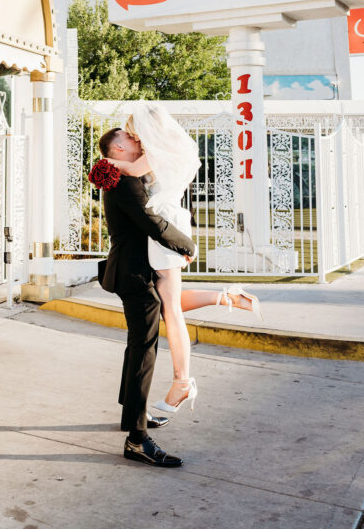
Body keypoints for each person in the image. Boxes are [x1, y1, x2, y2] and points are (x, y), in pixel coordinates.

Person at [107, 102, 261, 417]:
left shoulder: (157, 150)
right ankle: (227, 297)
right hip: (169, 217)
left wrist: (104, 162)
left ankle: (182, 381)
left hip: (165, 221)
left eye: (135, 131)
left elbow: (133, 171)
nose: (136, 137)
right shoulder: (170, 146)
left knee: (171, 310)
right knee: (167, 301)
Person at [97, 126, 195, 469]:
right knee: (144, 351)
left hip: (133, 270)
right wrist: (187, 244)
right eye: (130, 137)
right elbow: (151, 222)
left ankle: (133, 415)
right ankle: (136, 440)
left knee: (137, 347)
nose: (137, 140)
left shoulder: (122, 176)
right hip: (135, 275)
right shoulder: (123, 182)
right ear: (118, 147)